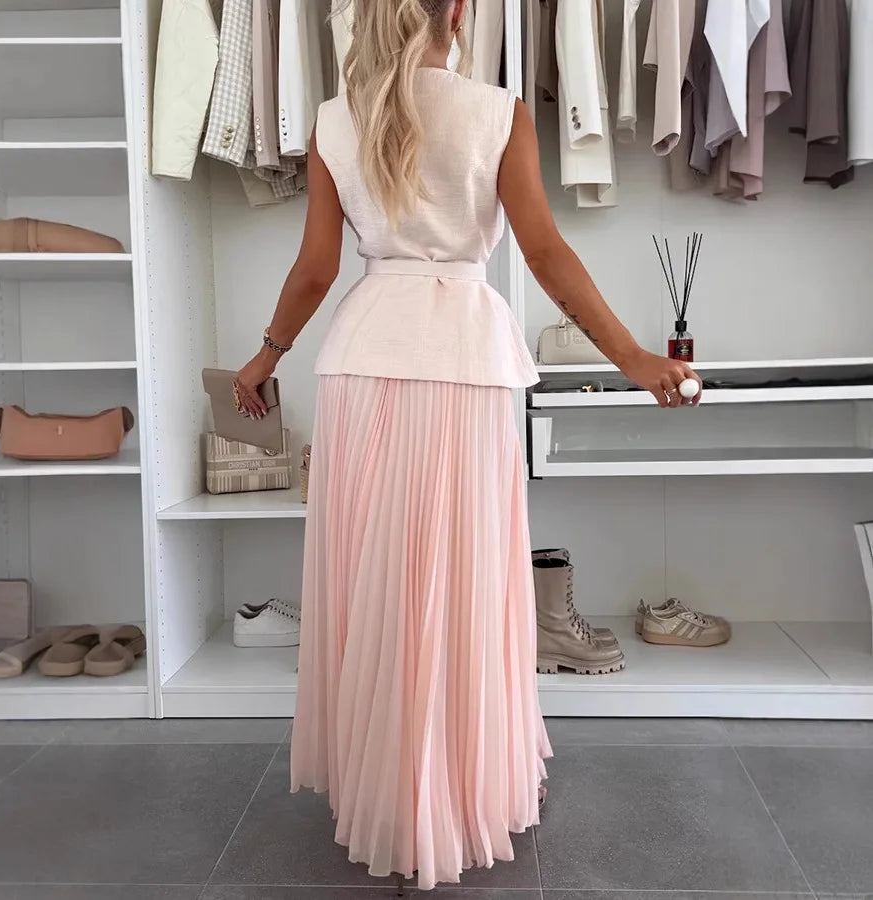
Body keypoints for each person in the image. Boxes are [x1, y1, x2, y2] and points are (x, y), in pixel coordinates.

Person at [233, 0, 702, 891]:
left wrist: (264, 358)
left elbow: (317, 270)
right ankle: (458, 787)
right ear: (457, 12)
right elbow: (546, 253)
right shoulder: (501, 113)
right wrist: (636, 357)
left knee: (377, 580)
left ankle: (384, 790)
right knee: (459, 579)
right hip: (466, 364)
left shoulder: (339, 119)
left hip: (364, 358)